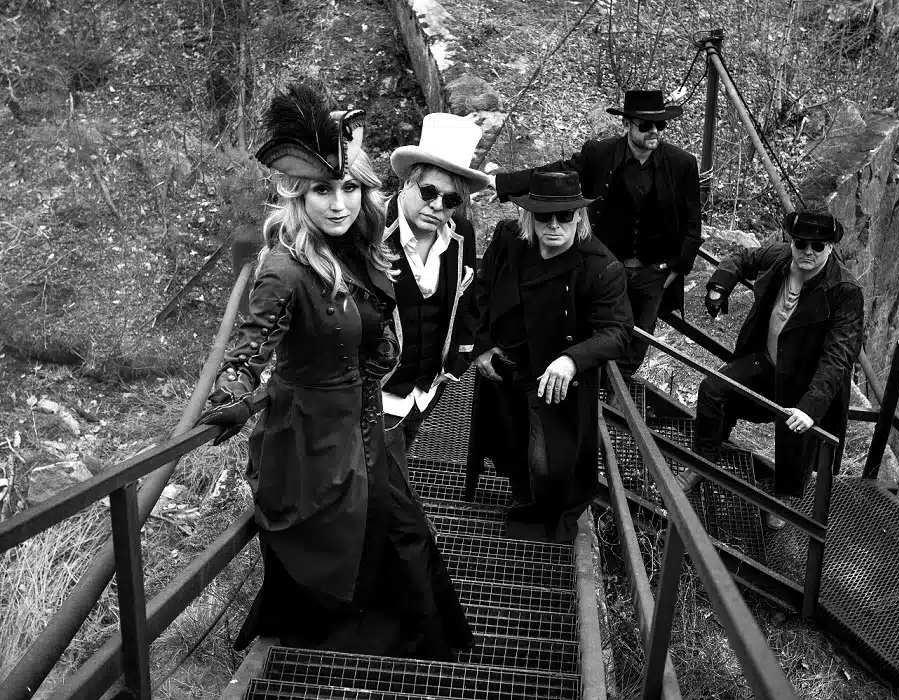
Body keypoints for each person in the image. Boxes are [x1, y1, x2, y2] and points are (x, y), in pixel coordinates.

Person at [199, 82, 473, 658]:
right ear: (297, 195)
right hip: (314, 439)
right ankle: (341, 643)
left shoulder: (358, 244)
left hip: (365, 427)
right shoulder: (284, 267)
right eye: (323, 190)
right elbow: (250, 347)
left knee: (402, 535)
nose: (339, 203)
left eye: (349, 187)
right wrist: (231, 392)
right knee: (366, 541)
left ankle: (398, 642)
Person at [468, 170, 632, 542]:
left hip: (554, 378)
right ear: (530, 217)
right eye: (544, 217)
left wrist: (572, 358)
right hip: (505, 365)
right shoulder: (509, 239)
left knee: (548, 459)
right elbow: (482, 288)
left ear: (580, 217)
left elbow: (618, 331)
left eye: (565, 216)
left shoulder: (601, 266)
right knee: (509, 438)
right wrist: (481, 344)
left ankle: (545, 521)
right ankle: (521, 497)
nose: (554, 225)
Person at [494, 89, 701, 380]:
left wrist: (676, 268)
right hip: (605, 266)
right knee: (593, 327)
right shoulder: (600, 154)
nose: (654, 131)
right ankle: (587, 386)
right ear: (626, 125)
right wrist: (502, 184)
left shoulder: (682, 163)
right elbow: (558, 175)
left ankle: (617, 393)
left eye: (660, 125)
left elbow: (693, 222)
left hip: (654, 271)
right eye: (645, 125)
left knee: (637, 340)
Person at [675, 211, 864, 528]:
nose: (808, 251)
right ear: (791, 241)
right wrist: (719, 286)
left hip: (806, 381)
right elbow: (741, 257)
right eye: (801, 243)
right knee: (714, 390)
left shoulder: (844, 291)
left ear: (831, 247)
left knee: (795, 439)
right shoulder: (780, 258)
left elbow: (839, 355)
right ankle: (702, 461)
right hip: (768, 362)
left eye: (817, 246)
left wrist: (810, 407)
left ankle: (784, 497)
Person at [381, 113, 488, 474]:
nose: (438, 206)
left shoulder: (462, 234)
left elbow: (470, 299)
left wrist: (457, 362)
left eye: (452, 199)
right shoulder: (369, 233)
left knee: (396, 473)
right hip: (375, 396)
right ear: (406, 184)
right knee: (386, 491)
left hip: (427, 389)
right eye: (429, 192)